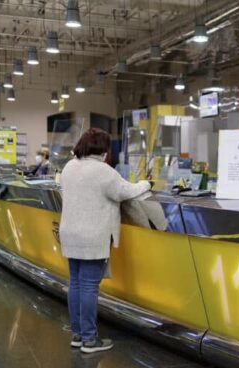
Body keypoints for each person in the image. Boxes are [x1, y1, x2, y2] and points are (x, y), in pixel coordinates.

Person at [59, 128, 151, 354]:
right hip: (92, 236)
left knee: (76, 284)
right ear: (103, 148)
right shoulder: (103, 171)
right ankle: (90, 340)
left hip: (69, 233)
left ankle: (78, 335)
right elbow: (126, 191)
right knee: (89, 286)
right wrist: (147, 184)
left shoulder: (69, 167)